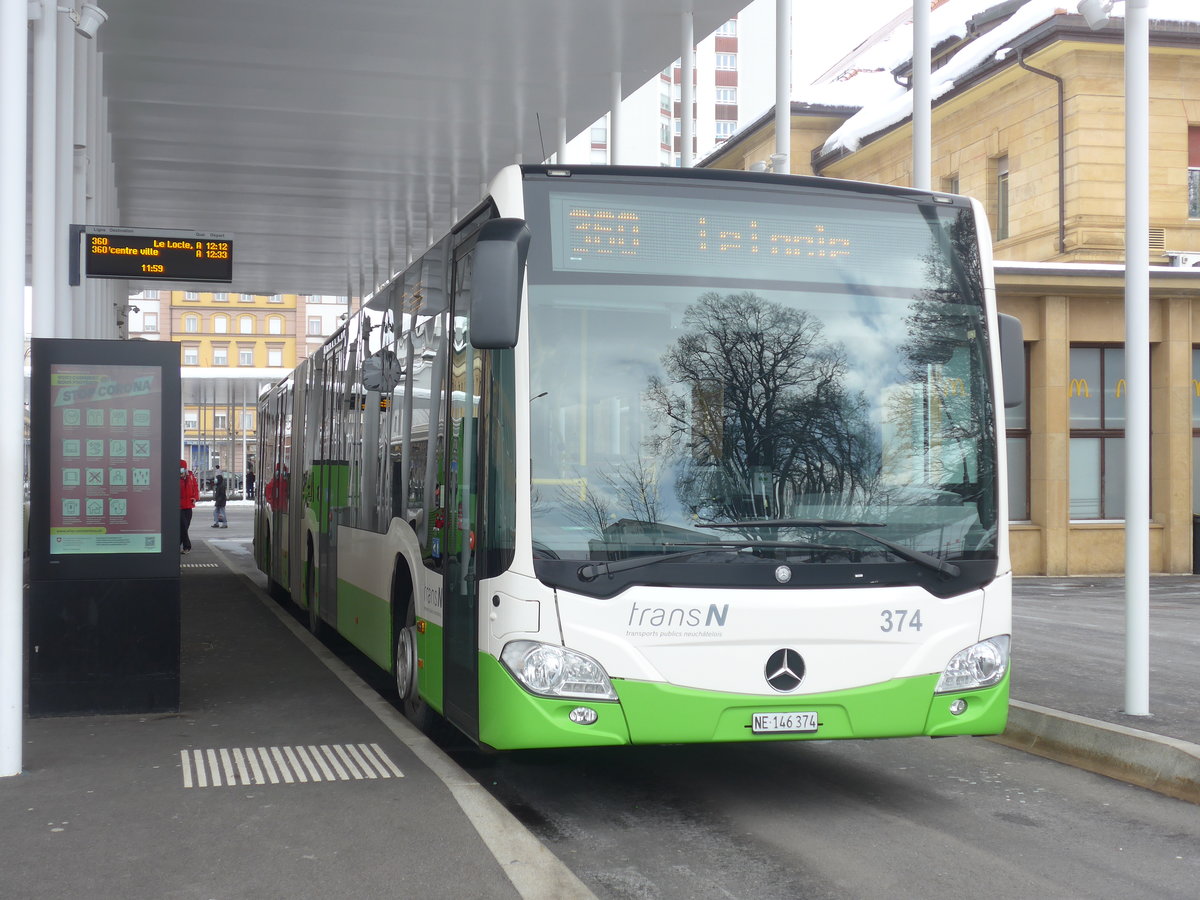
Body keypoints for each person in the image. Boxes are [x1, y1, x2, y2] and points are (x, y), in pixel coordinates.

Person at [179, 459, 199, 553]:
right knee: (183, 526)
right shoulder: (175, 477)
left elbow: (195, 486)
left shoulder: (190, 476)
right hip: (179, 507)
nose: (182, 471)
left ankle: (177, 543)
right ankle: (187, 546)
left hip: (189, 506)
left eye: (183, 469)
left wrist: (195, 497)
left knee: (186, 527)